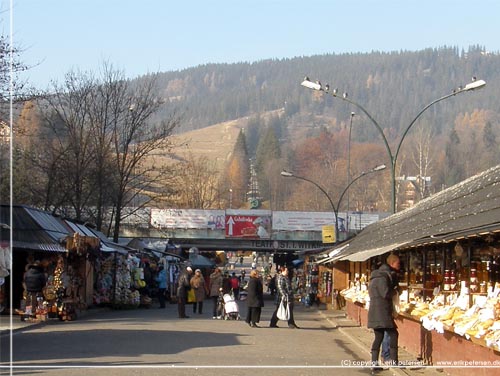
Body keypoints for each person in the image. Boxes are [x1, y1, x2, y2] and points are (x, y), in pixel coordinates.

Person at [367, 254, 401, 371]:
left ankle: (374, 364)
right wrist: (395, 291)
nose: (399, 265)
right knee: (393, 334)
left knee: (379, 337)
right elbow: (385, 293)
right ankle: (393, 361)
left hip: (375, 311)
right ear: (392, 263)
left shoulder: (374, 277)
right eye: (398, 263)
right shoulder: (383, 277)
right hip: (382, 311)